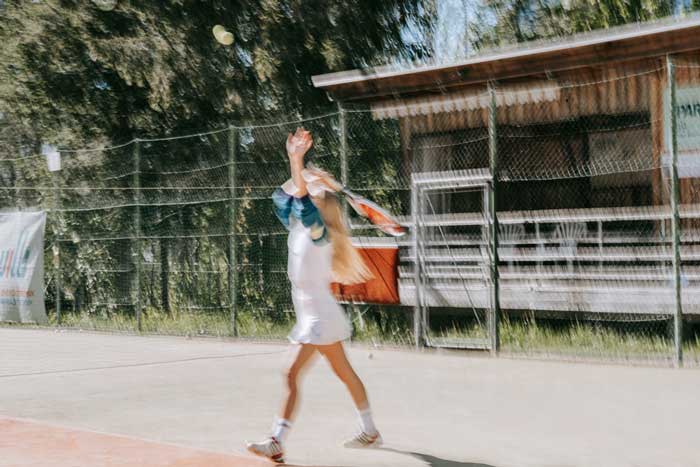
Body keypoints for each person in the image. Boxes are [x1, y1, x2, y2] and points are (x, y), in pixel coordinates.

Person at [246, 128, 382, 464]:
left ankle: (277, 440)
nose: (309, 192)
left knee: (291, 373)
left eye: (316, 193)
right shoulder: (297, 226)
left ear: (324, 207)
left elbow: (303, 203)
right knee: (343, 373)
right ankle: (370, 430)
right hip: (315, 314)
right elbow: (282, 198)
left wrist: (297, 161)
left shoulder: (321, 232)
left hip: (320, 315)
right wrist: (305, 171)